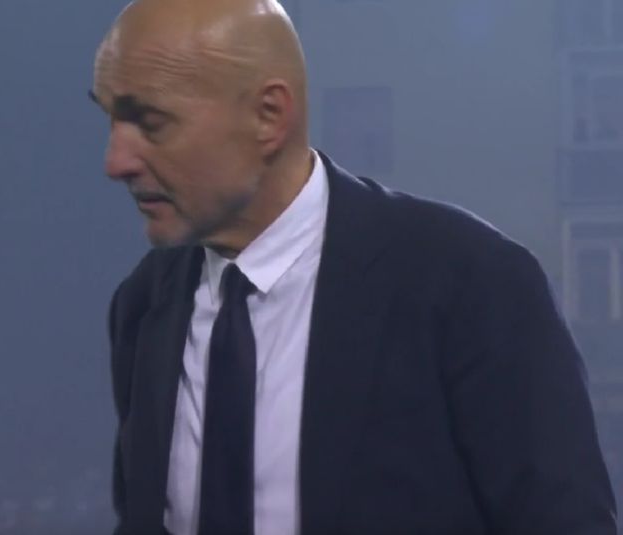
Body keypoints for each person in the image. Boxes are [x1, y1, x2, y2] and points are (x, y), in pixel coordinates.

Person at [92, 0, 618, 533]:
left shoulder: (472, 284)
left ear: (269, 116)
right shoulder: (143, 304)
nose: (116, 162)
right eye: (110, 118)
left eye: (151, 123)